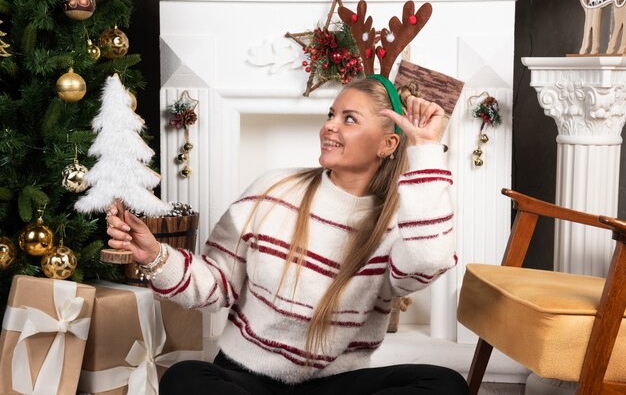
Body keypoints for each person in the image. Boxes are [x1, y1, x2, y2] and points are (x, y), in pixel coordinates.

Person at [105, 75, 469, 395]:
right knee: (184, 377)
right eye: (331, 114)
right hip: (246, 376)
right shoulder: (274, 189)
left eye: (350, 119)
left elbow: (430, 260)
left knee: (444, 384)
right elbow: (217, 285)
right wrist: (155, 255)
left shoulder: (398, 226)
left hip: (334, 384)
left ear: (387, 145)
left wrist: (424, 148)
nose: (330, 127)